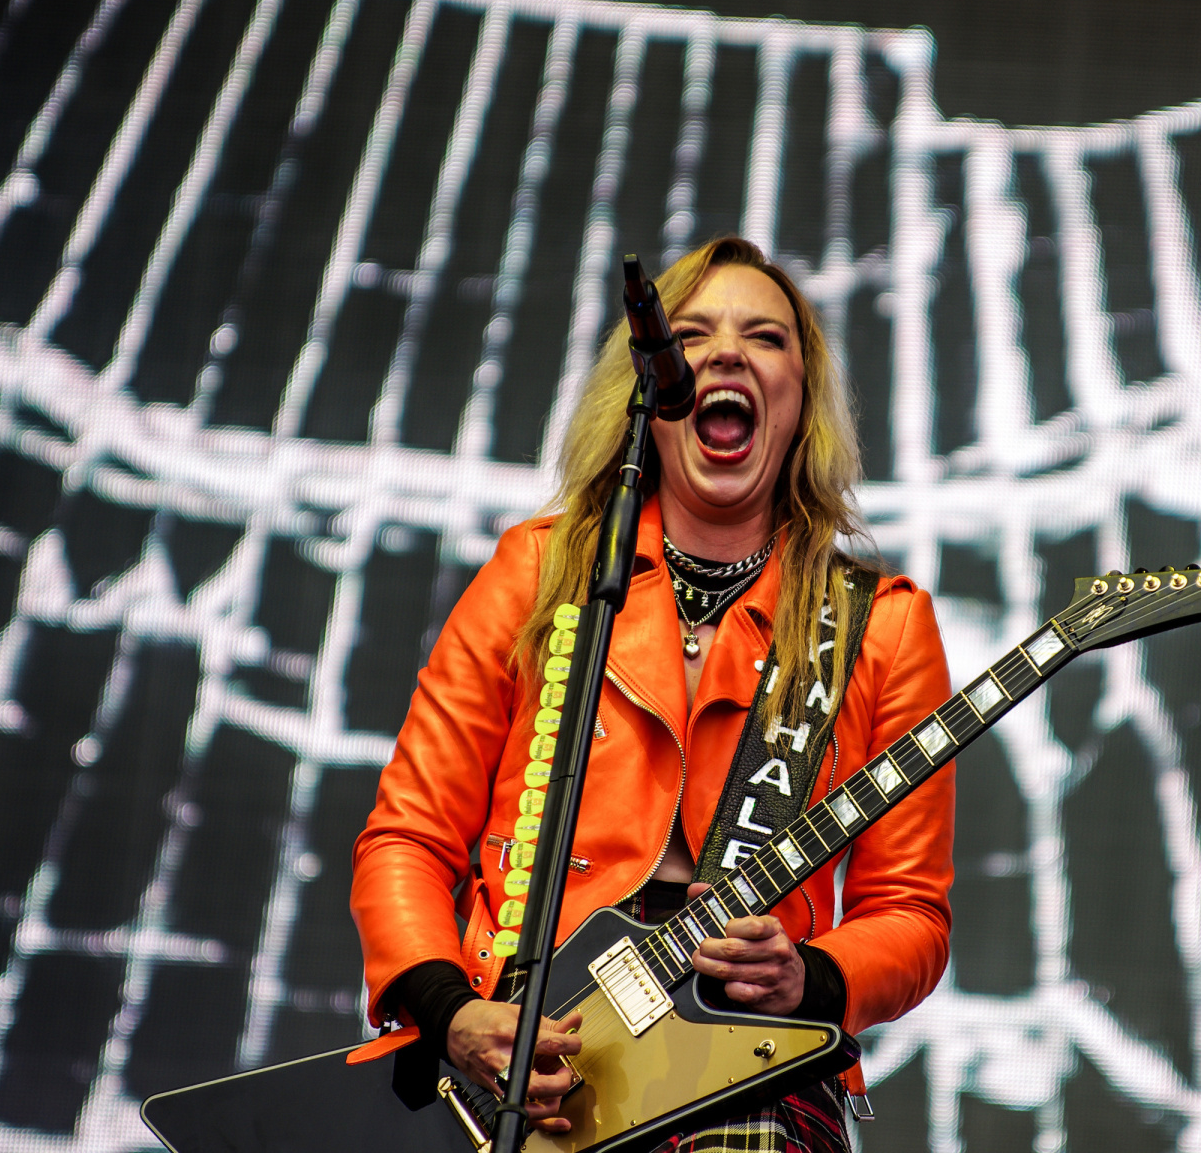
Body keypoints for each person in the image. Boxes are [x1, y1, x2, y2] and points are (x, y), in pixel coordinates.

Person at [350, 236, 954, 1150]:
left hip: (743, 1061)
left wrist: (811, 978)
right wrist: (449, 1012)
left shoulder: (877, 625)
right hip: (522, 1054)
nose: (725, 354)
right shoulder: (541, 573)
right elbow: (409, 834)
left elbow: (909, 912)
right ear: (648, 387)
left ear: (800, 400)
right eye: (694, 333)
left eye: (765, 337)